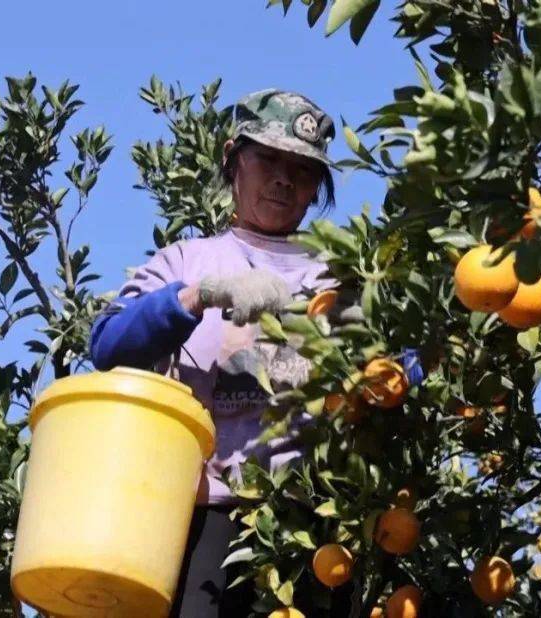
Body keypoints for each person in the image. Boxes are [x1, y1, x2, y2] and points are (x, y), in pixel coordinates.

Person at [90, 89, 422, 617]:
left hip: (313, 523)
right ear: (233, 160)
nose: (284, 179)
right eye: (268, 158)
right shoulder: (187, 259)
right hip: (202, 514)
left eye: (303, 170)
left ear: (316, 189)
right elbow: (107, 345)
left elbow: (405, 367)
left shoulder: (342, 272)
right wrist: (196, 297)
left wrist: (397, 356)